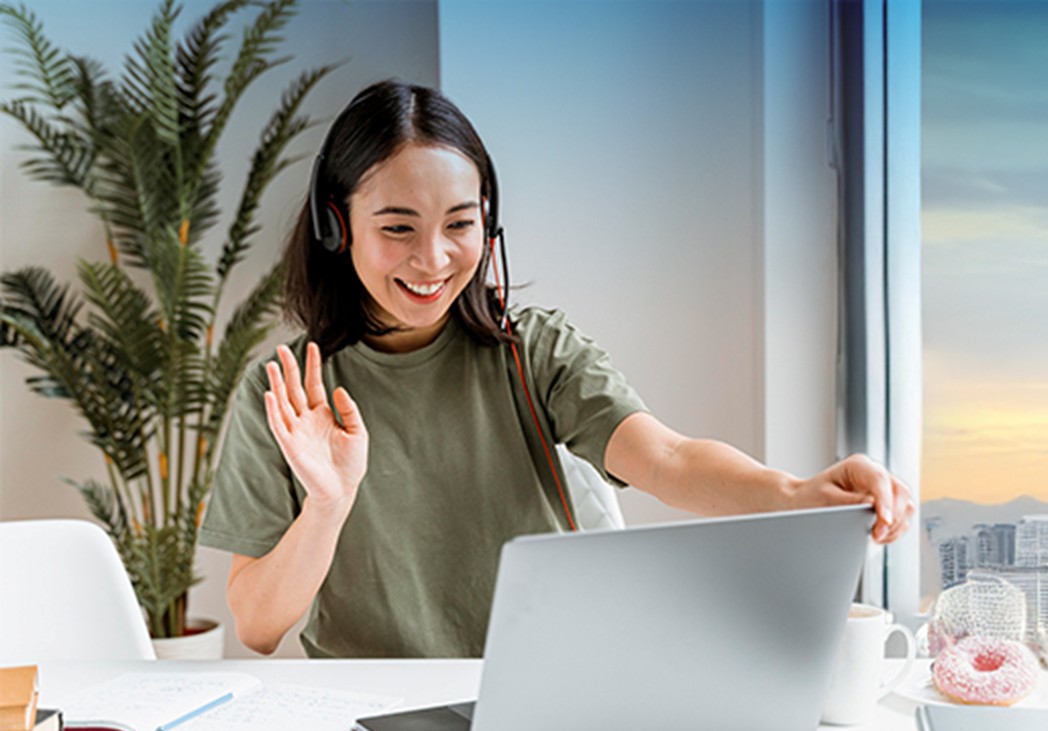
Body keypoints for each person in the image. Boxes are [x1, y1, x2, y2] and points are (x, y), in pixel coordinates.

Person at [199, 80, 915, 658]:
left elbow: (666, 458)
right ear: (336, 226)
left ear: (487, 221)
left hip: (541, 682)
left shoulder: (533, 349)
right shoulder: (287, 395)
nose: (433, 258)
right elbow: (258, 627)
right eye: (397, 228)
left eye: (459, 224)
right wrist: (327, 504)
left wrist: (798, 493)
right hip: (373, 709)